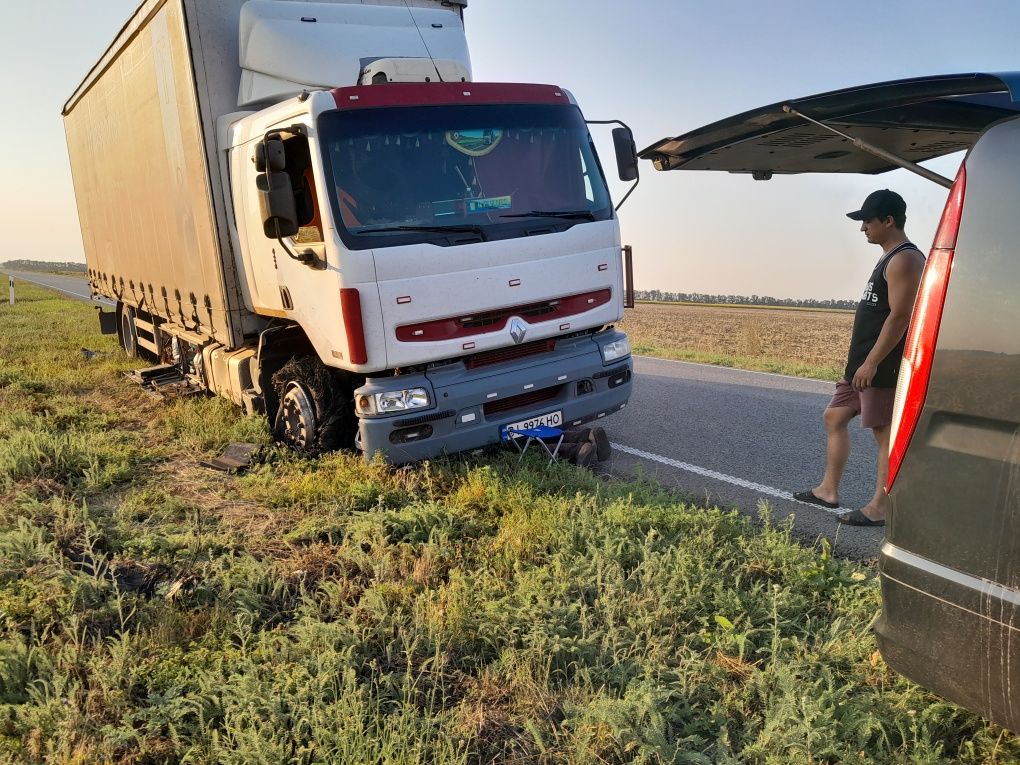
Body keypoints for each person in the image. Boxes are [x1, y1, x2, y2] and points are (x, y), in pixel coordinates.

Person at [794, 190, 925, 526]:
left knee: (884, 434)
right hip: (862, 365)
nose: (862, 227)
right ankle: (828, 491)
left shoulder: (906, 259)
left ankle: (880, 507)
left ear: (888, 220)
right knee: (834, 417)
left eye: (868, 220)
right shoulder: (888, 256)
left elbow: (900, 317)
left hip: (880, 365)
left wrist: (872, 363)